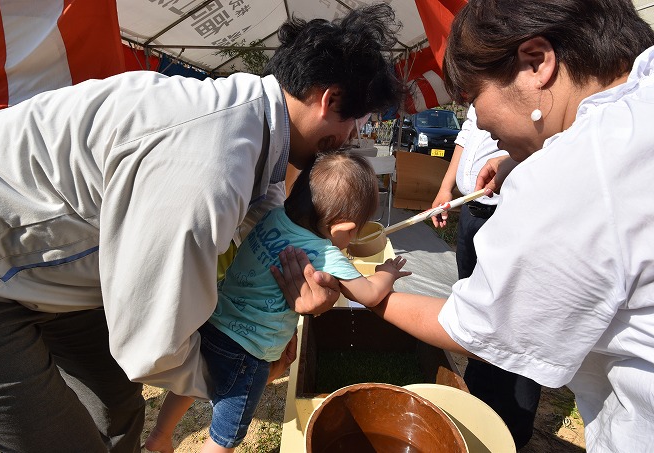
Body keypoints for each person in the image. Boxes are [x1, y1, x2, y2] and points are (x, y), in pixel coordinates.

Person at [0, 4, 406, 452]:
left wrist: (303, 285)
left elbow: (265, 210)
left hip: (47, 265)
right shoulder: (210, 165)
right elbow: (151, 342)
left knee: (118, 405)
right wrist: (245, 367)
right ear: (330, 99)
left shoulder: (250, 124)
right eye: (355, 122)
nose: (354, 136)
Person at [274, 1, 654, 451]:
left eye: (473, 100)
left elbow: (477, 326)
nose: (483, 127)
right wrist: (516, 159)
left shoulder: (575, 171)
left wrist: (360, 290)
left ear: (537, 63)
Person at [144, 151, 409, 452]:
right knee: (226, 433)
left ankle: (160, 436)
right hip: (247, 354)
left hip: (213, 322)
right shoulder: (325, 252)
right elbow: (370, 294)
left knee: (191, 384)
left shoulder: (274, 216)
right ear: (343, 229)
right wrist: (387, 272)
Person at [431, 104, 541, 449]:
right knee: (475, 306)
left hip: (509, 214)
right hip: (472, 212)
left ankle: (512, 428)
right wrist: (446, 188)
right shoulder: (484, 92)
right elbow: (465, 138)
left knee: (512, 318)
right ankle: (476, 399)